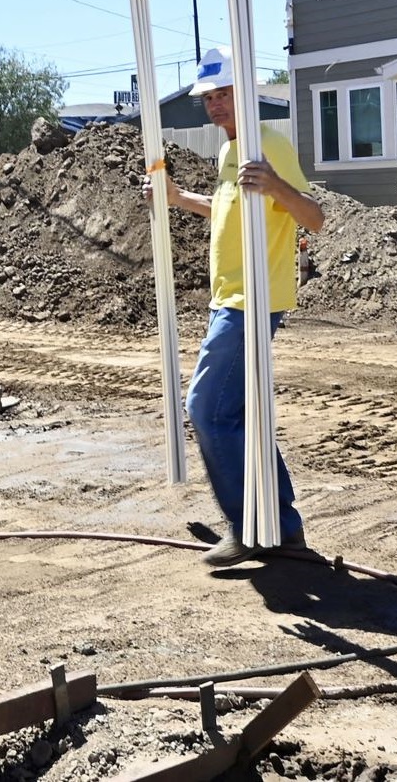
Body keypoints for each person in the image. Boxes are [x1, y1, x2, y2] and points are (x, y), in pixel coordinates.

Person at [143, 45, 324, 568]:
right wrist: (179, 199)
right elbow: (229, 209)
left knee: (205, 408)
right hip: (230, 296)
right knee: (239, 417)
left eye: (224, 94)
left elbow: (313, 218)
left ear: (244, 94)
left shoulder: (269, 143)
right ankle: (284, 530)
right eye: (209, 96)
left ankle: (247, 528)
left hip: (254, 299)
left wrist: (275, 182)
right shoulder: (229, 151)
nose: (215, 104)